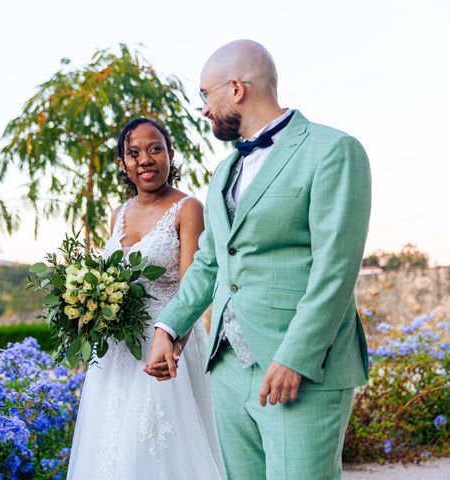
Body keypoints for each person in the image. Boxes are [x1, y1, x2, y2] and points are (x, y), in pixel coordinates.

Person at [145, 39, 372, 480]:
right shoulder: (224, 171)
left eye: (205, 96)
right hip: (227, 369)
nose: (204, 110)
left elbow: (336, 270)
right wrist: (168, 327)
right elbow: (210, 262)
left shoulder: (333, 150)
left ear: (236, 88)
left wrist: (296, 356)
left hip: (302, 368)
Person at [67, 118, 225, 479]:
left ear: (170, 154)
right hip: (115, 352)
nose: (146, 159)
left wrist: (173, 346)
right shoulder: (118, 214)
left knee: (151, 451)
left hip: (166, 345)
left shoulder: (189, 210)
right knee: (111, 449)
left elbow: (193, 289)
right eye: (134, 153)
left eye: (155, 149)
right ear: (123, 163)